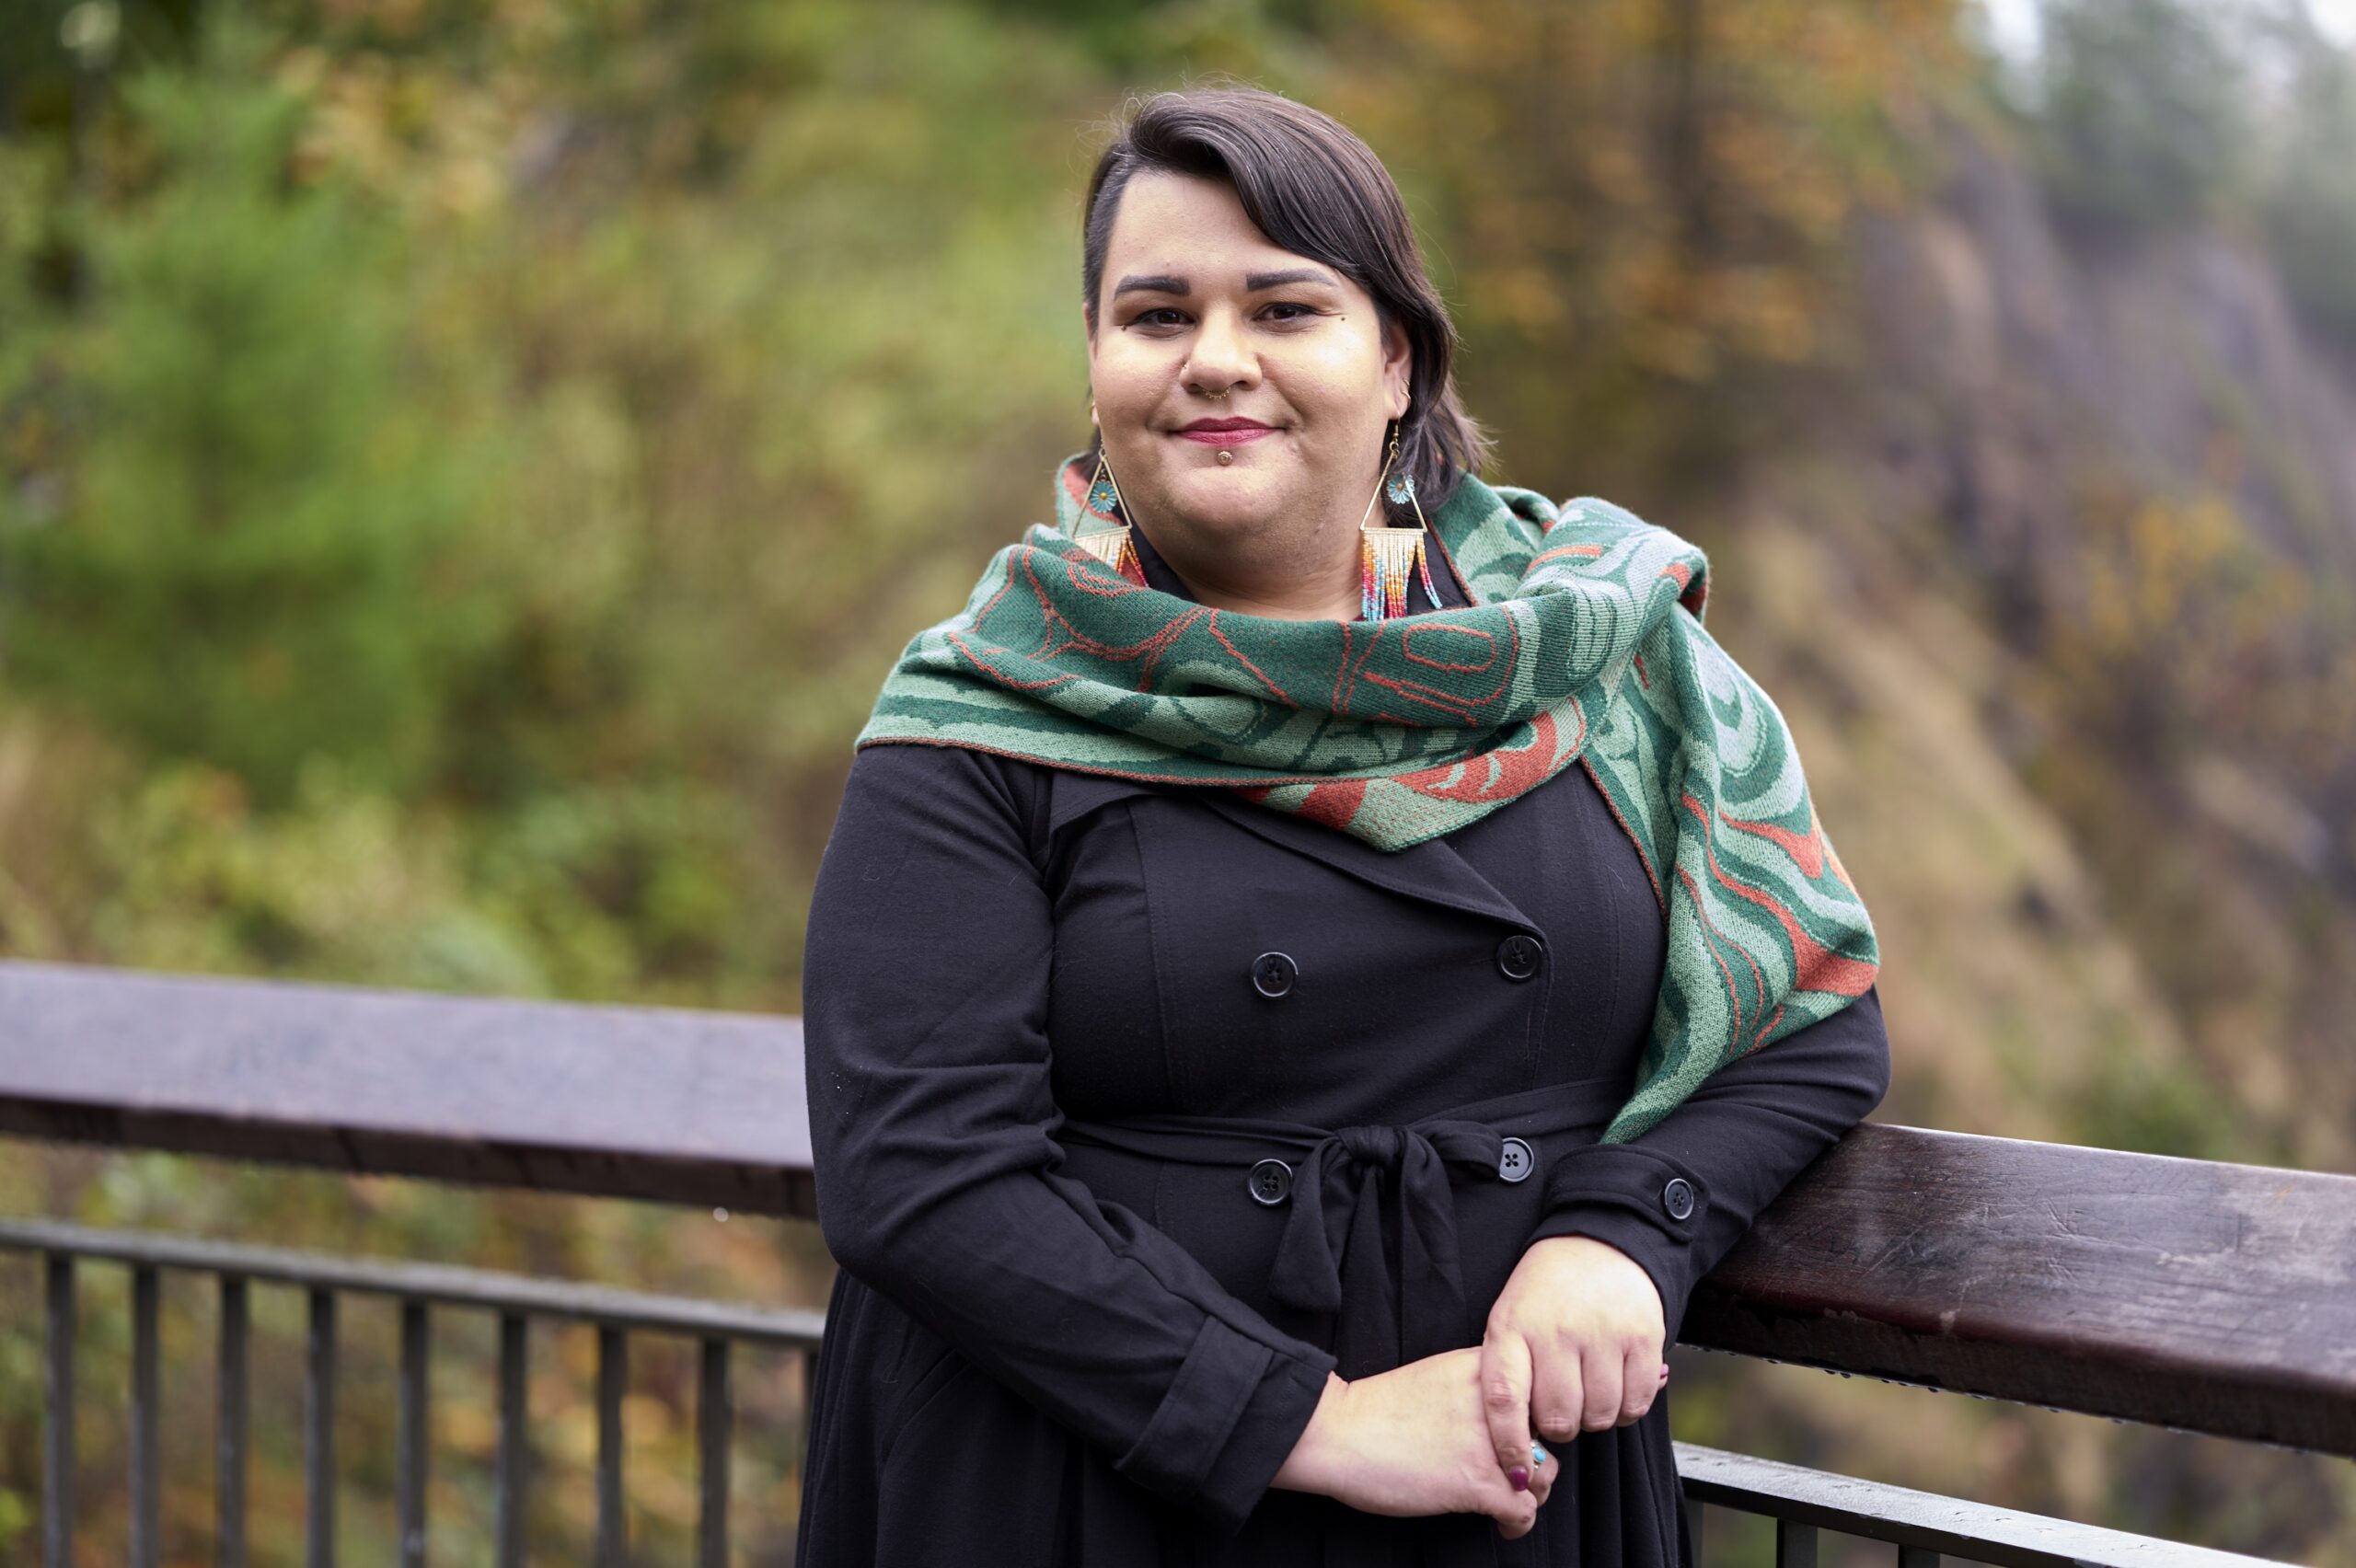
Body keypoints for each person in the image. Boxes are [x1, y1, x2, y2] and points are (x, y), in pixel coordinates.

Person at [796, 84, 1888, 1567]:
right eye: (1157, 315)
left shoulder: (1613, 661)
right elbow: (919, 1169)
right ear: (1099, 363)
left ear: (1397, 361)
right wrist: (1310, 1425)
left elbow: (1809, 1015)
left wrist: (1629, 1229)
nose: (1215, 362)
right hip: (1086, 1487)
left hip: (1510, 1490)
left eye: (1286, 308)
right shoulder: (990, 703)